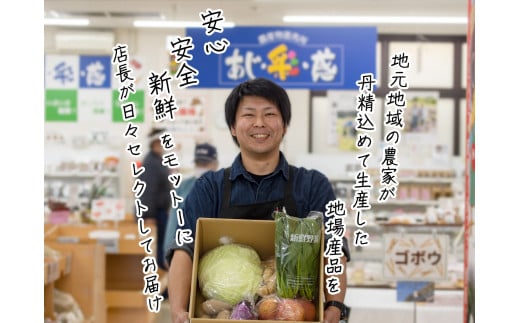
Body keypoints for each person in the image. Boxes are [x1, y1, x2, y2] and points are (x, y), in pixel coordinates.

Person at [166, 78, 349, 323]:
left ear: (284, 125)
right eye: (249, 114)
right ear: (232, 126)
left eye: (270, 114)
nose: (260, 123)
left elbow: (333, 249)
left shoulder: (313, 185)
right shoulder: (210, 187)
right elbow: (184, 249)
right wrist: (178, 310)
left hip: (293, 315)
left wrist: (335, 305)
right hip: (224, 315)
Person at [162, 142, 219, 268]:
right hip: (185, 250)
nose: (201, 167)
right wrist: (168, 250)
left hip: (214, 254)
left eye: (205, 164)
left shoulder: (221, 186)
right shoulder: (184, 186)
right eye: (199, 164)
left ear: (215, 165)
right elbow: (174, 218)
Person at [138, 127, 172, 273]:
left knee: (162, 248)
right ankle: (161, 286)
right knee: (158, 250)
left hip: (161, 211)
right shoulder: (151, 162)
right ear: (155, 144)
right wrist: (148, 216)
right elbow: (147, 191)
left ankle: (164, 284)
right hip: (154, 214)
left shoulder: (157, 160)